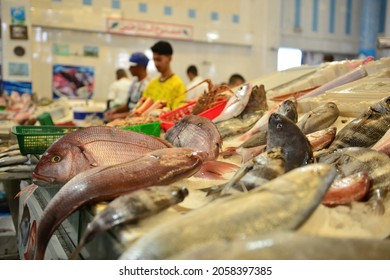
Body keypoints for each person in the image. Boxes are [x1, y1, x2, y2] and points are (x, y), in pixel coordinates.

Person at [105, 52, 151, 121]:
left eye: (132, 66)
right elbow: (128, 105)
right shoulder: (134, 82)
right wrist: (115, 111)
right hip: (129, 116)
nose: (129, 68)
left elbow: (141, 112)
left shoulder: (148, 85)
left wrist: (119, 116)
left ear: (141, 67)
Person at [141, 40, 186, 110]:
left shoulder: (178, 85)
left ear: (170, 58)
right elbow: (141, 107)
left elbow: (178, 112)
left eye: (159, 60)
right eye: (154, 60)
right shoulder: (151, 84)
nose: (156, 64)